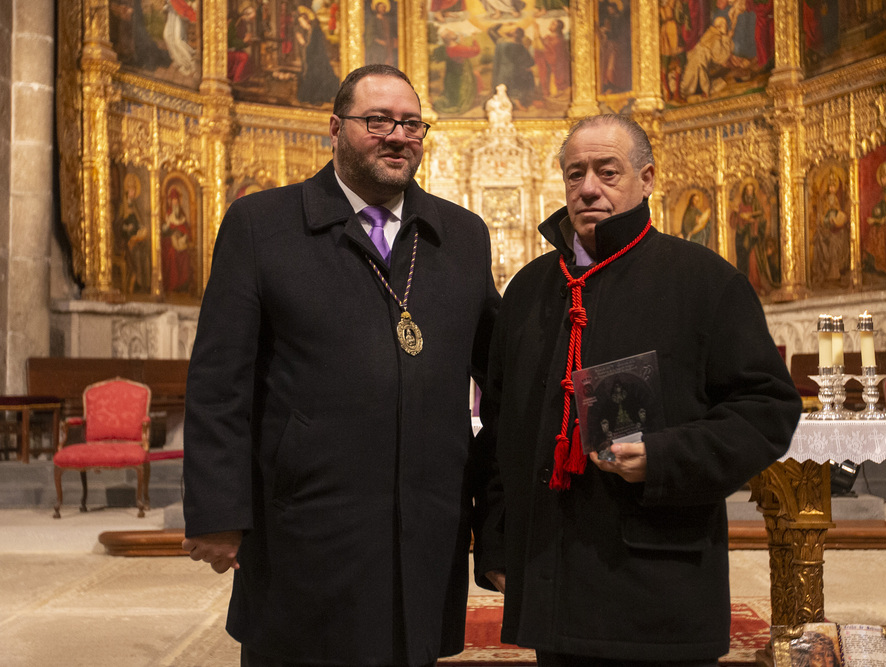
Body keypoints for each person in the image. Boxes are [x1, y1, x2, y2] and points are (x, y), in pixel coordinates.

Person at [182, 64, 500, 667]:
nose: (396, 135)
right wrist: (220, 511)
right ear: (335, 127)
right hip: (308, 519)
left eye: (411, 123)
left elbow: (501, 375)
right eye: (376, 120)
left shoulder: (459, 234)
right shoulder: (263, 224)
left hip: (425, 519)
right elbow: (219, 382)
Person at [474, 114, 801, 666]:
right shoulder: (531, 288)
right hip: (553, 573)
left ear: (646, 179)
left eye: (607, 171)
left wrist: (665, 456)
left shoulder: (703, 280)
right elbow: (502, 426)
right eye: (574, 173)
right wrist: (499, 539)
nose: (588, 188)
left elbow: (767, 408)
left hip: (657, 574)